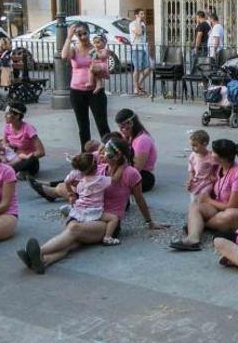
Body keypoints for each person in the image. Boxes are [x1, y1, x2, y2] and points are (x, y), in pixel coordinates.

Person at [18, 137, 165, 274]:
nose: (103, 154)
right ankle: (42, 262)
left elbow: (140, 199)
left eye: (106, 152)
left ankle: (38, 252)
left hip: (107, 221)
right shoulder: (100, 168)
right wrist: (72, 194)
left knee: (74, 229)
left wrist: (149, 222)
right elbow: (81, 178)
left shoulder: (130, 173)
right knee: (71, 241)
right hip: (86, 213)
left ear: (117, 156)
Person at [170, 139, 238, 251]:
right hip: (220, 207)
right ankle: (193, 239)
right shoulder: (218, 167)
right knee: (195, 205)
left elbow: (232, 205)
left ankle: (199, 225)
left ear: (223, 158)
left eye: (214, 152)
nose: (211, 153)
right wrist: (192, 183)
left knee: (229, 215)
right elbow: (198, 172)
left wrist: (208, 200)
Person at [62, 22, 111, 151]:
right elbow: (63, 56)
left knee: (102, 125)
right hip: (77, 92)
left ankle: (111, 152)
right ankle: (86, 155)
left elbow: (106, 70)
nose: (82, 37)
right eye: (79, 34)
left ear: (89, 33)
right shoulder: (74, 49)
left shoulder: (96, 48)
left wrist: (98, 69)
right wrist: (68, 37)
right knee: (83, 126)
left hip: (95, 92)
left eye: (85, 33)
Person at [63, 152, 120, 246]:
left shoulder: (78, 175)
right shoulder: (100, 180)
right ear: (96, 167)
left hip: (80, 208)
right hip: (94, 210)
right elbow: (115, 179)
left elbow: (66, 181)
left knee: (78, 203)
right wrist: (120, 165)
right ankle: (108, 237)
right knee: (114, 218)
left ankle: (71, 210)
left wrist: (70, 194)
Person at [115, 109, 158, 192]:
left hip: (142, 175)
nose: (121, 130)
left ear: (131, 124)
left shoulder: (142, 140)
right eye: (119, 128)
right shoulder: (129, 136)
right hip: (130, 169)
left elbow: (136, 169)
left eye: (123, 127)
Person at [2, 102, 46, 178]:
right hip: (12, 157)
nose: (4, 116)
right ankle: (10, 170)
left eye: (7, 114)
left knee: (31, 160)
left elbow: (41, 152)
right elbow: (4, 143)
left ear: (17, 116)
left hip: (26, 161)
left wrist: (25, 157)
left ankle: (8, 170)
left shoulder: (28, 129)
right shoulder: (7, 127)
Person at [185, 130, 216, 201]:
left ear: (204, 144)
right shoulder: (193, 155)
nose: (192, 148)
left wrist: (213, 175)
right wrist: (190, 179)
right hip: (196, 181)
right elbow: (191, 169)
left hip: (207, 183)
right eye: (191, 145)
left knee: (202, 199)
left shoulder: (210, 157)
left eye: (195, 145)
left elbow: (217, 168)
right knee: (193, 199)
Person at [129, 9, 152, 96]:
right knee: (137, 69)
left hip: (143, 47)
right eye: (141, 14)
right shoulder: (132, 24)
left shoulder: (143, 24)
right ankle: (136, 87)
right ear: (136, 15)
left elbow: (144, 36)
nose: (143, 15)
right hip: (136, 48)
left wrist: (148, 45)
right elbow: (138, 33)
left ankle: (138, 84)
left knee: (149, 67)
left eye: (143, 14)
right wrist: (138, 21)